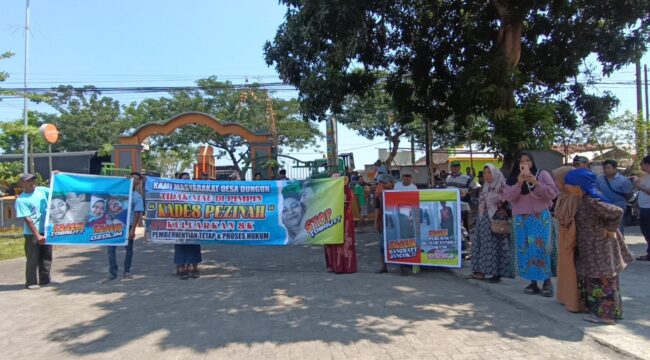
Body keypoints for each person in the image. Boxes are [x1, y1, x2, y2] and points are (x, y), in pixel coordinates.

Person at [565, 168, 633, 325]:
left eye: (569, 185)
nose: (566, 188)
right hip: (592, 247)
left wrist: (610, 229)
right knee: (602, 279)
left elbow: (617, 212)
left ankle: (606, 316)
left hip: (599, 248)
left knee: (603, 280)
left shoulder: (591, 201)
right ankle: (614, 312)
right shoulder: (582, 200)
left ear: (578, 186)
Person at [504, 151, 559, 297]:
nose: (525, 164)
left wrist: (536, 183)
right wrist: (519, 183)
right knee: (526, 250)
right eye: (522, 162)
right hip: (520, 220)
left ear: (532, 162)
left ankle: (547, 282)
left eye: (528, 161)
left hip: (540, 217)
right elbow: (509, 197)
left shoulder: (542, 175)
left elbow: (553, 193)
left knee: (541, 249)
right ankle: (533, 282)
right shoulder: (512, 178)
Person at [468, 164, 514, 283]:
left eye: (489, 172)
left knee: (495, 247)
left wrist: (507, 211)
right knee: (481, 245)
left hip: (496, 221)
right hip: (483, 220)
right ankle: (480, 272)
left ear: (495, 173)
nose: (487, 175)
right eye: (485, 173)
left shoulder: (502, 186)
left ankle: (496, 274)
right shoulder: (485, 186)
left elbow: (511, 199)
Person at [552, 166, 583, 313]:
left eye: (557, 180)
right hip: (564, 235)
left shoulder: (574, 197)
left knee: (571, 270)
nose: (555, 183)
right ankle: (564, 297)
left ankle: (573, 302)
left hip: (571, 235)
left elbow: (567, 217)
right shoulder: (564, 194)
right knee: (564, 268)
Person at [104, 172, 145, 282]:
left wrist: (133, 230)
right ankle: (113, 273)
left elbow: (137, 213)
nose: (134, 180)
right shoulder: (118, 193)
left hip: (128, 226)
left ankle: (126, 271)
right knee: (111, 249)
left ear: (138, 182)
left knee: (129, 250)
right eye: (133, 178)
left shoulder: (137, 197)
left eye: (137, 179)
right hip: (114, 226)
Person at [15, 173, 52, 290]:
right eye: (28, 181)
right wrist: (37, 235)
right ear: (22, 184)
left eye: (33, 180)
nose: (32, 182)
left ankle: (45, 280)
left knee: (46, 257)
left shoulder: (41, 190)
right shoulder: (21, 200)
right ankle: (31, 282)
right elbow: (28, 219)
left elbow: (55, 189)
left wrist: (54, 177)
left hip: (45, 230)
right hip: (32, 234)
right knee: (33, 258)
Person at [324, 175, 358, 273]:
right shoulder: (328, 190)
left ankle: (346, 267)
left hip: (344, 217)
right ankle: (333, 266)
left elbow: (349, 203)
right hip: (331, 218)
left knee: (344, 241)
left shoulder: (346, 190)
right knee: (331, 242)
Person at [173, 172, 203, 279]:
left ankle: (194, 268)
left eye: (188, 178)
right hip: (179, 224)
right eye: (184, 179)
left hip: (194, 223)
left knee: (194, 246)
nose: (186, 180)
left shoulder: (196, 191)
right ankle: (182, 269)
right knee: (180, 246)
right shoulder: (174, 192)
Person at [596, 159, 634, 235]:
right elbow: (596, 191)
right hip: (603, 207)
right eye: (604, 168)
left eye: (608, 168)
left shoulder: (623, 180)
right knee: (604, 230)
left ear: (615, 168)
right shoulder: (599, 179)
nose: (606, 170)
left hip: (618, 207)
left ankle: (620, 245)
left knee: (618, 230)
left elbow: (629, 194)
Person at [374, 175, 395, 273]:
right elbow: (377, 209)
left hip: (394, 222)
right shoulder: (379, 196)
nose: (382, 185)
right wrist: (375, 222)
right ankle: (384, 266)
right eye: (381, 183)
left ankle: (401, 266)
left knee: (397, 244)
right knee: (382, 246)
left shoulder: (397, 193)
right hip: (383, 222)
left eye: (385, 183)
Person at [632, 155, 650, 261]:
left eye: (641, 164)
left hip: (648, 208)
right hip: (644, 208)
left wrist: (637, 184)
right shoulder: (646, 176)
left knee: (648, 231)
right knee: (646, 232)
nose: (641, 166)